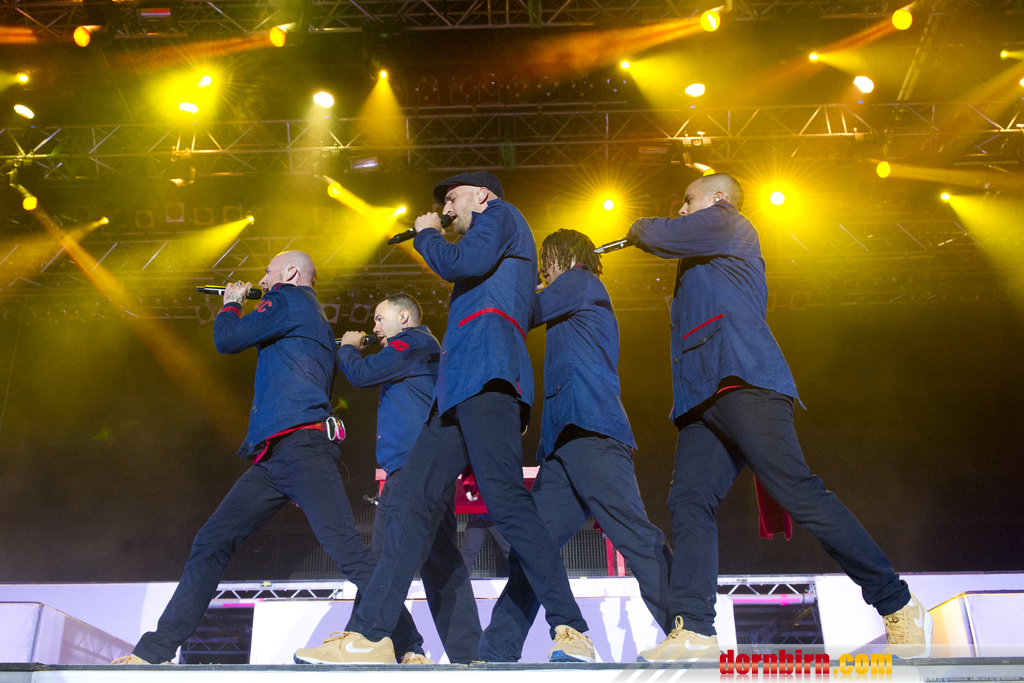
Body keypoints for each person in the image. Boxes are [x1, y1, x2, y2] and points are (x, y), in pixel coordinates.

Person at [624, 173, 931, 662]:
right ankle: (696, 629)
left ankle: (897, 602)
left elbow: (659, 233)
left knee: (799, 492)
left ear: (718, 199)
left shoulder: (727, 221)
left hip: (745, 381)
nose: (681, 209)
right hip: (702, 398)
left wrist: (638, 228)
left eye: (687, 199)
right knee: (688, 501)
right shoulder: (703, 249)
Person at [294, 171, 594, 665]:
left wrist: (428, 233)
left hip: (489, 377)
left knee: (506, 502)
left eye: (452, 199)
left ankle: (571, 627)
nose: (447, 209)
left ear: (482, 195)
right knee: (409, 501)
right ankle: (372, 636)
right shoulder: (492, 241)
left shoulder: (502, 215)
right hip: (457, 390)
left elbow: (460, 262)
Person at [113, 251, 422, 665]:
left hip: (301, 449)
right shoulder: (310, 317)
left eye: (268, 271)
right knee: (212, 541)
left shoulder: (289, 299)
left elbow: (227, 340)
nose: (262, 278)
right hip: (278, 456)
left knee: (347, 550)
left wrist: (231, 303)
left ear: (290, 273)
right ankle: (155, 652)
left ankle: (409, 645)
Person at [477, 229, 674, 662]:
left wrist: (506, 279)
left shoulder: (579, 280)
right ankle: (496, 652)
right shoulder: (572, 290)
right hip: (562, 442)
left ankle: (688, 627)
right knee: (533, 548)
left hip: (592, 429)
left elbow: (523, 311)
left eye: (545, 261)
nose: (542, 271)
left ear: (563, 257)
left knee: (633, 534)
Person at [332, 292, 482, 664]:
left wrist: (347, 348)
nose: (374, 327)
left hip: (414, 471)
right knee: (440, 563)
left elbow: (362, 374)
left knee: (386, 556)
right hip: (417, 469)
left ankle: (368, 638)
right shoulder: (416, 348)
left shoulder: (411, 343)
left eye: (379, 318)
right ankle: (468, 656)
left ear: (404, 317)